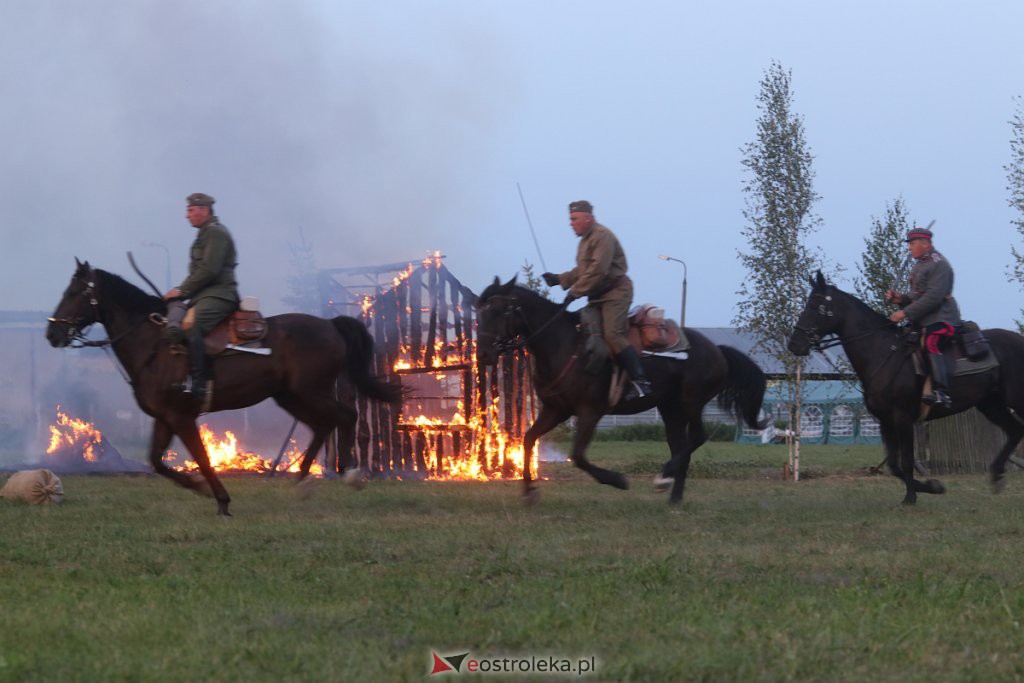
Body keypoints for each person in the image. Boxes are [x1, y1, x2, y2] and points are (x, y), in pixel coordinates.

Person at [542, 200, 652, 401]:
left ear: (588, 218)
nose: (571, 223)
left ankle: (640, 381)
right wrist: (559, 279)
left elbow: (598, 271)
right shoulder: (584, 241)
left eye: (574, 219)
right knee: (579, 329)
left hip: (616, 294)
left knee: (612, 334)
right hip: (597, 295)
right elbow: (582, 270)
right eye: (570, 219)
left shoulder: (603, 237)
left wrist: (575, 292)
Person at [162, 192, 239, 402]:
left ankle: (199, 384)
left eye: (190, 210)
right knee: (175, 323)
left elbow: (209, 270)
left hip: (221, 294)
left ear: (204, 210)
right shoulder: (205, 234)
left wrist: (182, 291)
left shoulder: (216, 233)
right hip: (205, 295)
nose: (187, 215)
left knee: (193, 326)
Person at [885, 226, 961, 408]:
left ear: (926, 244)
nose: (909, 248)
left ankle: (941, 391)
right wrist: (900, 299)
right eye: (909, 244)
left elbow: (933, 297)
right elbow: (917, 295)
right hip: (923, 320)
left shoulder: (939, 264)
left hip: (942, 318)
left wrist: (905, 313)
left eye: (912, 243)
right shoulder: (920, 265)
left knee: (930, 342)